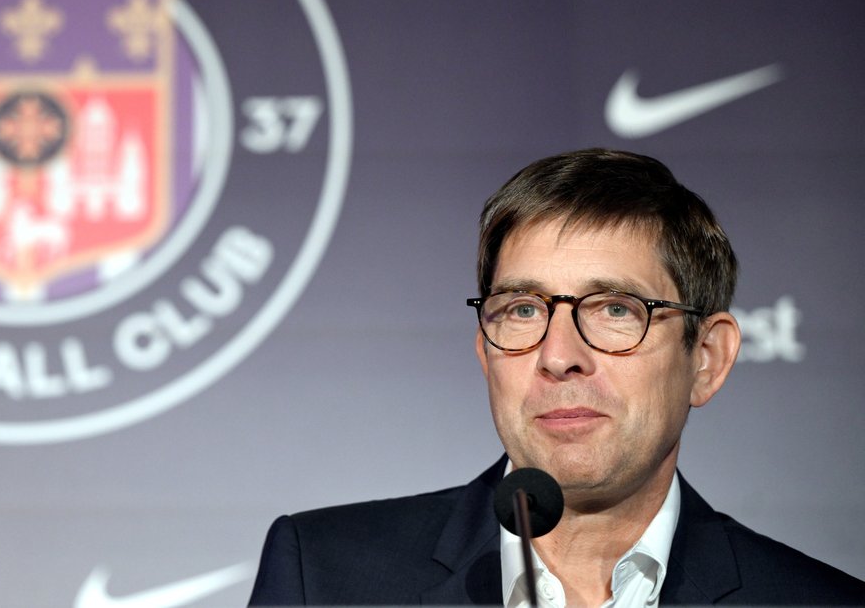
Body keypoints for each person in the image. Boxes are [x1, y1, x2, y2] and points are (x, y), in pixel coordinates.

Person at [248, 149, 865, 606]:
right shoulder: (323, 576)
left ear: (706, 358)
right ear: (486, 353)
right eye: (523, 310)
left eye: (616, 310)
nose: (558, 355)